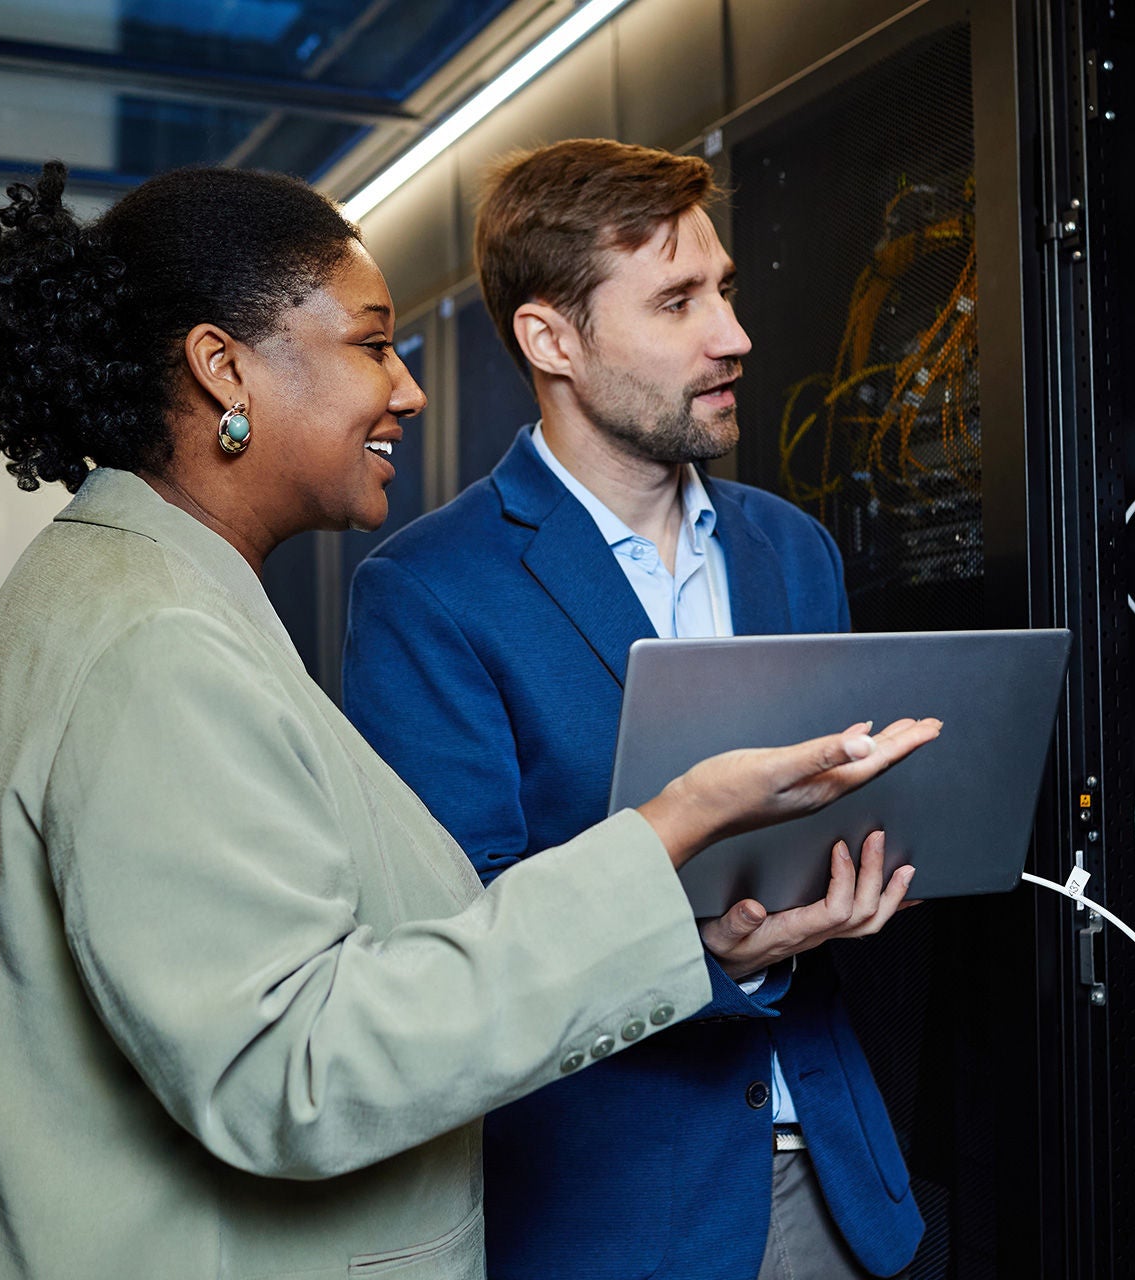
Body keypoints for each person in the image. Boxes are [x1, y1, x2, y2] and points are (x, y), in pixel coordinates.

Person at [0, 162, 939, 1280]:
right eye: (370, 343)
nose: (407, 389)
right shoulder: (156, 642)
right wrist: (668, 831)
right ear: (222, 367)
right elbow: (292, 1067)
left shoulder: (142, 600)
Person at [343, 139, 927, 1280]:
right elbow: (455, 942)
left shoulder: (790, 549)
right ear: (550, 339)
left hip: (841, 1180)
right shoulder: (429, 590)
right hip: (610, 1213)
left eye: (723, 291)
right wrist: (720, 958)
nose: (732, 336)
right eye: (675, 301)